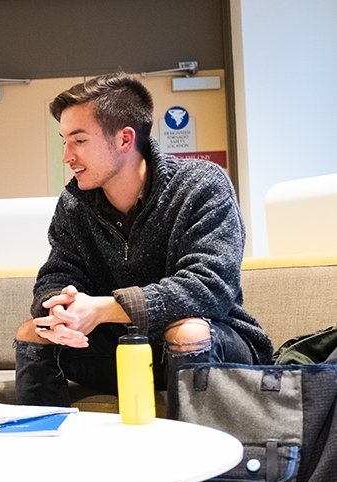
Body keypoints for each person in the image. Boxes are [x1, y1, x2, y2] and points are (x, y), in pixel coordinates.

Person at [14, 72, 272, 410]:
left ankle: (196, 460)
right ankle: (43, 453)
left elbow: (209, 288)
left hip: (210, 340)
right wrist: (60, 310)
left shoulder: (200, 185)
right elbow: (55, 276)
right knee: (34, 331)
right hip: (122, 349)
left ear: (124, 140)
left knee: (186, 332)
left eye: (78, 141)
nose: (67, 156)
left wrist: (104, 308)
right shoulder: (75, 202)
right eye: (63, 141)